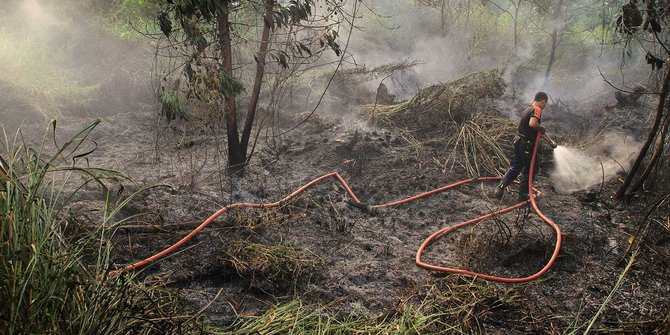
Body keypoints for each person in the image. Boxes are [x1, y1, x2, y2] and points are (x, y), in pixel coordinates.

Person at [493, 92, 548, 201]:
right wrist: (541, 128)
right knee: (530, 169)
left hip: (519, 141)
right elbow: (532, 124)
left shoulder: (527, 109)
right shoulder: (537, 109)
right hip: (527, 145)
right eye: (545, 104)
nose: (544, 106)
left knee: (516, 166)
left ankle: (499, 189)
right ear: (543, 101)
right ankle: (522, 195)